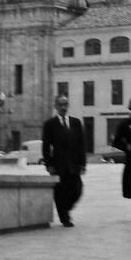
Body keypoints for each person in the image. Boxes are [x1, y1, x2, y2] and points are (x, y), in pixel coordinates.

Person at [41, 94, 86, 227]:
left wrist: (82, 163)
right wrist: (48, 164)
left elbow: (81, 145)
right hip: (58, 165)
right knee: (60, 192)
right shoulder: (49, 124)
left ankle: (65, 209)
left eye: (65, 104)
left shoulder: (76, 123)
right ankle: (64, 218)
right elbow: (46, 146)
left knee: (77, 189)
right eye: (60, 105)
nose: (63, 107)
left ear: (68, 106)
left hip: (74, 164)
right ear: (55, 106)